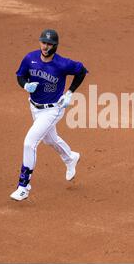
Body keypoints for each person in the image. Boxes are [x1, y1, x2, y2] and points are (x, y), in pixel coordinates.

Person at [10, 29, 88, 201]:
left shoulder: (62, 64)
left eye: (49, 44)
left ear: (55, 45)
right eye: (43, 43)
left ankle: (23, 186)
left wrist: (69, 93)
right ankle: (70, 157)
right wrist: (25, 86)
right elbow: (20, 75)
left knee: (30, 142)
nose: (45, 46)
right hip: (35, 107)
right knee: (49, 139)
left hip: (53, 109)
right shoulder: (30, 58)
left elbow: (82, 71)